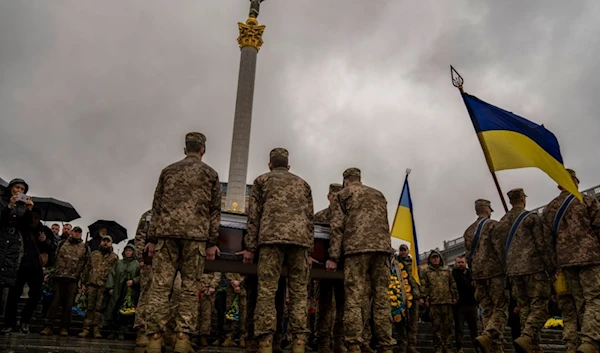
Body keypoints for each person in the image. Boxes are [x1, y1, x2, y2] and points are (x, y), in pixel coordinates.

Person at [143, 132, 221, 353]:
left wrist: (152, 238)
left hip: (167, 237)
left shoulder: (168, 171)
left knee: (160, 288)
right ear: (203, 150)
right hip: (196, 238)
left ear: (185, 149)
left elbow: (156, 206)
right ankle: (182, 338)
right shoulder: (210, 174)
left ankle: (155, 339)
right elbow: (215, 211)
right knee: (189, 288)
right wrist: (211, 241)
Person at [237, 147, 314, 353]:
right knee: (299, 294)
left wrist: (250, 247)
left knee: (266, 292)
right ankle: (299, 342)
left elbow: (254, 217)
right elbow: (309, 220)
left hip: (270, 241)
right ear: (288, 166)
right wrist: (310, 251)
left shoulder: (262, 181)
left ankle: (265, 342)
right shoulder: (303, 184)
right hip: (299, 244)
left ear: (270, 164)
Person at [326, 167, 396, 353]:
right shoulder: (378, 195)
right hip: (382, 250)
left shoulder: (343, 195)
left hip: (356, 250)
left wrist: (333, 256)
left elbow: (337, 227)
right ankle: (386, 345)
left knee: (354, 298)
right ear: (359, 178)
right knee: (381, 298)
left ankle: (355, 344)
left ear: (345, 181)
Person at [540, 169, 600, 353]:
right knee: (594, 299)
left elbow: (546, 243)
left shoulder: (549, 209)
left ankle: (578, 345)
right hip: (590, 258)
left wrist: (554, 267)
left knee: (580, 301)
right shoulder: (588, 201)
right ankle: (590, 340)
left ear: (559, 184)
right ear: (576, 182)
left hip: (564, 263)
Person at [495, 188, 554, 352]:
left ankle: (532, 347)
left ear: (510, 201)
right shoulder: (531, 218)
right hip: (533, 268)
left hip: (513, 272)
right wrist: (551, 267)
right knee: (540, 308)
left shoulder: (501, 223)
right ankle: (527, 337)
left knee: (525, 309)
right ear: (523, 199)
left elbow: (499, 250)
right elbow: (542, 244)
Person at [463, 199, 507, 353]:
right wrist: (506, 268)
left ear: (476, 211)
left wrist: (474, 274)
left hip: (478, 275)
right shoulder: (494, 225)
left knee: (487, 309)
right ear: (487, 210)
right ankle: (489, 335)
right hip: (494, 273)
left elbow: (468, 255)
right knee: (500, 307)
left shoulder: (468, 231)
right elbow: (500, 249)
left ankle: (494, 347)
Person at [1, 208, 52, 334]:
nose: (34, 219)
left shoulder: (45, 230)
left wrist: (45, 240)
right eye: (32, 217)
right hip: (20, 265)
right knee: (13, 295)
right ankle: (9, 323)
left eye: (36, 217)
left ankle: (25, 320)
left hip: (36, 266)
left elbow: (51, 248)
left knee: (36, 295)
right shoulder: (21, 228)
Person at [40, 226, 90, 336]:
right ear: (71, 232)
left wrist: (83, 282)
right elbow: (54, 258)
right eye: (75, 231)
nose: (77, 234)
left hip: (73, 279)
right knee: (54, 303)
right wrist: (50, 273)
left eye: (79, 232)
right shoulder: (62, 243)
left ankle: (64, 327)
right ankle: (48, 326)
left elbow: (86, 266)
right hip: (59, 277)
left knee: (68, 305)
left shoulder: (85, 247)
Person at [314, 183, 346, 353]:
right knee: (324, 306)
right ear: (328, 196)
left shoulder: (348, 216)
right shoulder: (320, 216)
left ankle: (339, 341)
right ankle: (323, 341)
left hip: (343, 267)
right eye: (334, 196)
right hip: (323, 268)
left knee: (344, 307)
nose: (336, 199)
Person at [78, 234, 119, 339]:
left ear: (111, 244)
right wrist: (83, 283)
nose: (105, 243)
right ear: (101, 242)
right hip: (91, 284)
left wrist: (112, 287)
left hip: (104, 286)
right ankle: (86, 328)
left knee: (100, 308)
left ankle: (97, 329)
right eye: (104, 241)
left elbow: (115, 274)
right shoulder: (94, 254)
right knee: (89, 307)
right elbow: (87, 269)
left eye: (108, 241)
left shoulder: (114, 257)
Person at [0, 178, 34, 290]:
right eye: (17, 187)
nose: (19, 190)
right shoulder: (2, 200)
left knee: (6, 279)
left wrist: (29, 210)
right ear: (11, 188)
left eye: (22, 189)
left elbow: (26, 227)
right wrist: (9, 206)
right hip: (2, 237)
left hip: (13, 243)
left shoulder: (22, 206)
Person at [422, 251, 457, 353]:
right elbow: (425, 286)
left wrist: (454, 297)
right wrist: (426, 299)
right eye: (433, 258)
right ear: (430, 260)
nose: (435, 259)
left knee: (448, 326)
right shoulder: (426, 272)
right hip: (434, 303)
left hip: (447, 302)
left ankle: (448, 346)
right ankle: (438, 346)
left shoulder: (447, 270)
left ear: (440, 258)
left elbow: (452, 284)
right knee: (435, 326)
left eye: (437, 257)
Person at [103, 243, 141, 340]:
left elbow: (141, 276)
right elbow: (112, 274)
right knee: (114, 309)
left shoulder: (136, 264)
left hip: (129, 292)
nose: (128, 252)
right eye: (127, 250)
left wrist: (133, 281)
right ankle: (112, 331)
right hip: (117, 290)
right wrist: (110, 287)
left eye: (130, 251)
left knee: (125, 312)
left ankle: (121, 331)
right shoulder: (118, 263)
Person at [397, 244, 421, 353]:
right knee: (401, 322)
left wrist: (422, 296)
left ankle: (412, 346)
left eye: (404, 250)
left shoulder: (414, 265)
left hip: (414, 295)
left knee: (413, 322)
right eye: (401, 250)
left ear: (408, 251)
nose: (403, 252)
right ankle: (403, 345)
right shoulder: (396, 264)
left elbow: (421, 280)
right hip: (400, 296)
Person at [133, 209, 152, 347]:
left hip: (170, 263)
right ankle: (142, 330)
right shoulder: (149, 215)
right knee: (147, 294)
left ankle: (163, 332)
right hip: (149, 262)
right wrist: (141, 258)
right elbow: (139, 237)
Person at [452, 255, 478, 353]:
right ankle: (460, 348)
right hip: (460, 305)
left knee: (474, 329)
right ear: (456, 263)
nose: (461, 264)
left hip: (472, 304)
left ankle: (477, 347)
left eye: (462, 262)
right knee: (459, 328)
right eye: (459, 262)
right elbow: (464, 284)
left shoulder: (470, 273)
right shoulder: (453, 274)